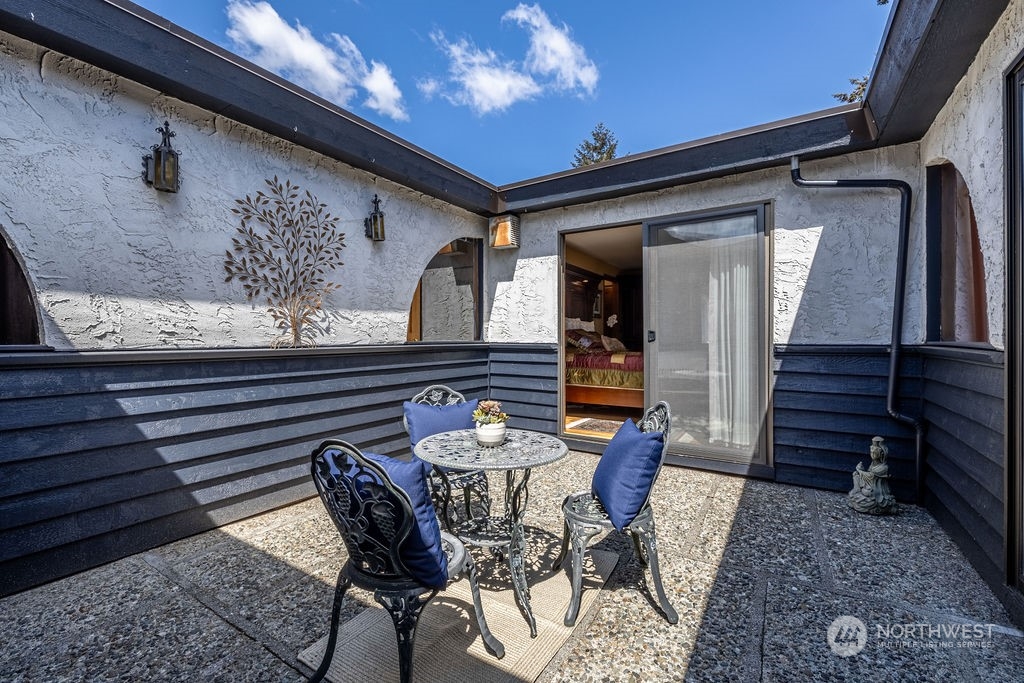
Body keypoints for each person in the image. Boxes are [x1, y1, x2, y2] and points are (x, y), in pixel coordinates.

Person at [848, 436, 897, 515]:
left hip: (877, 491)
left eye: (875, 452)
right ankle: (857, 493)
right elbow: (867, 475)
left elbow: (871, 476)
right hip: (868, 487)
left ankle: (866, 502)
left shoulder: (884, 467)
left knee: (872, 499)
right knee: (855, 475)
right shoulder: (872, 464)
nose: (872, 454)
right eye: (871, 451)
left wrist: (860, 470)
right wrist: (860, 471)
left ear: (881, 453)